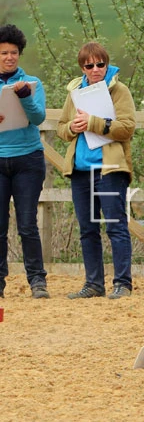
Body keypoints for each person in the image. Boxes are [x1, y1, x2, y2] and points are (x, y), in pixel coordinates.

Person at [57, 42, 136, 299]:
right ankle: (93, 284)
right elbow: (61, 128)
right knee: (87, 230)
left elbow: (127, 128)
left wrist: (93, 122)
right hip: (80, 171)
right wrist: (73, 127)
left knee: (115, 227)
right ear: (82, 68)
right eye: (89, 65)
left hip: (109, 169)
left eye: (100, 64)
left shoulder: (120, 91)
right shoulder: (75, 92)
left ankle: (122, 283)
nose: (95, 69)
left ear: (106, 64)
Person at [0, 24, 49, 299]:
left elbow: (38, 117)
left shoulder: (32, 84)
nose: (9, 57)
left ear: (20, 54)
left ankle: (37, 281)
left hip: (28, 160)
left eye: (14, 52)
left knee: (27, 224)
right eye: (4, 53)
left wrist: (25, 98)